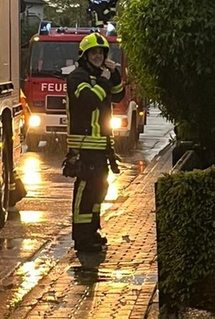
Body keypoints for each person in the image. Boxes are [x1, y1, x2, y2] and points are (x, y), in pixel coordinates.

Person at [64, 31, 124, 252]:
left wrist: (114, 72)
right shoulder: (77, 77)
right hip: (84, 146)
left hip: (101, 146)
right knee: (85, 191)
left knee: (100, 189)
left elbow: (117, 95)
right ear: (85, 55)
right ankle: (81, 238)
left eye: (101, 52)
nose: (98, 56)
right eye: (94, 53)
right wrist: (104, 80)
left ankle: (93, 231)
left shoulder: (102, 77)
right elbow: (89, 100)